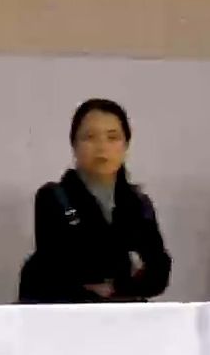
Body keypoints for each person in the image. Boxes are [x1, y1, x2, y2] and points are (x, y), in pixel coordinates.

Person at [18, 99, 172, 304]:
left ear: (126, 145)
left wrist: (116, 287)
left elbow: (158, 272)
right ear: (74, 145)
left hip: (121, 315)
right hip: (62, 313)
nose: (102, 147)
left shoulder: (139, 204)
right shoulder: (53, 197)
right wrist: (127, 269)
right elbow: (61, 267)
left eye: (112, 137)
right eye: (90, 137)